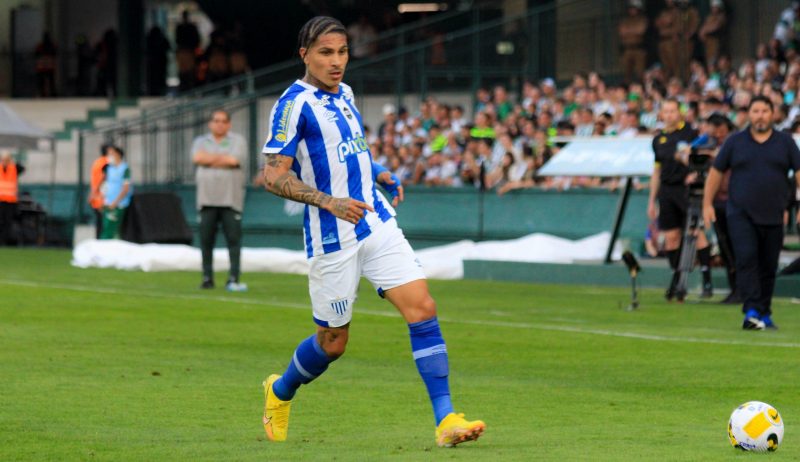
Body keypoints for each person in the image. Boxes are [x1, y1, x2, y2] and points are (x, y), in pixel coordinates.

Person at [260, 16, 485, 448]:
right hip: (332, 235)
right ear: (304, 54)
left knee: (422, 307)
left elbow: (346, 150)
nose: (336, 62)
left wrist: (378, 172)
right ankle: (280, 390)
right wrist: (330, 201)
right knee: (333, 344)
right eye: (326, 53)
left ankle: (446, 418)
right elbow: (272, 177)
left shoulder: (345, 93)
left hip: (375, 221)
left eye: (342, 52)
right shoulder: (292, 105)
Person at [703, 96, 800, 330]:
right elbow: (716, 173)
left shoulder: (785, 142)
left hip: (774, 214)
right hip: (740, 213)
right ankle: (751, 310)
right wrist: (707, 203)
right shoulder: (735, 142)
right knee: (747, 259)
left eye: (764, 111)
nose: (759, 115)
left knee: (768, 265)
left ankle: (764, 312)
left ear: (772, 114)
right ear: (749, 114)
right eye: (755, 111)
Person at [647, 98, 713, 300]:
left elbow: (705, 155)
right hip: (666, 191)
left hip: (686, 190)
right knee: (671, 238)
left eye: (673, 111)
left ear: (680, 113)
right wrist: (652, 200)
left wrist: (695, 173)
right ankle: (676, 280)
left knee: (696, 232)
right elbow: (657, 171)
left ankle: (706, 280)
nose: (669, 115)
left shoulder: (691, 133)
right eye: (665, 111)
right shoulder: (658, 140)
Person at [192, 109, 248, 291]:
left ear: (229, 124)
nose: (219, 124)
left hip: (231, 200)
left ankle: (233, 278)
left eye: (223, 121)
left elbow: (233, 160)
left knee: (233, 240)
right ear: (210, 123)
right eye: (216, 121)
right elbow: (197, 158)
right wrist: (220, 159)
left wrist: (209, 160)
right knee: (206, 241)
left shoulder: (238, 140)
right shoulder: (200, 141)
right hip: (206, 199)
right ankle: (207, 277)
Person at [703, 113, 739, 304]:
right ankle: (734, 288)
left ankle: (742, 288)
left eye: (721, 131)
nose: (718, 135)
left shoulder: (737, 143)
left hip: (734, 201)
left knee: (737, 246)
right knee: (725, 247)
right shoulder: (708, 145)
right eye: (715, 132)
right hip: (717, 202)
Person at [99, 146, 132, 240]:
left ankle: (105, 250)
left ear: (118, 154)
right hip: (107, 203)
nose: (109, 156)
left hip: (118, 205)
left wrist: (115, 202)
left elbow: (126, 189)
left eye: (111, 154)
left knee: (111, 230)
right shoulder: (109, 168)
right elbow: (105, 185)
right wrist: (102, 199)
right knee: (106, 228)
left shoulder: (125, 169)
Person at [618, 0, 648, 84]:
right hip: (627, 49)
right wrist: (633, 31)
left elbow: (640, 30)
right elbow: (622, 32)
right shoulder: (625, 20)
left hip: (638, 49)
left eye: (634, 8)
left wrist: (629, 31)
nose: (632, 10)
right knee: (626, 73)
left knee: (640, 73)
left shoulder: (642, 19)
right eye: (631, 8)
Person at [0, 151, 25, 245]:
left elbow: (22, 168)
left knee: (8, 222)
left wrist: (12, 161)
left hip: (11, 201)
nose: (5, 161)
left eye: (7, 159)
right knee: (1, 222)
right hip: (0, 200)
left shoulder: (14, 168)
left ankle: (5, 241)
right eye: (3, 159)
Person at [88, 144, 110, 238]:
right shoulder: (107, 162)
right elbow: (102, 178)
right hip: (102, 197)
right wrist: (93, 193)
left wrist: (92, 194)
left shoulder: (97, 162)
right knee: (103, 223)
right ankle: (101, 243)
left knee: (99, 223)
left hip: (97, 197)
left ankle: (99, 242)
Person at [175, 11, 201, 91]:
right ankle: (183, 87)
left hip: (189, 51)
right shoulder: (180, 27)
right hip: (183, 50)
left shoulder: (192, 27)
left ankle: (190, 87)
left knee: (190, 71)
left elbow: (197, 40)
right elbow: (177, 39)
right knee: (183, 71)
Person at [698, 0, 727, 66]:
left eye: (716, 7)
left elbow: (716, 26)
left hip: (717, 44)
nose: (714, 9)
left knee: (714, 62)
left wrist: (705, 30)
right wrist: (703, 31)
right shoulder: (709, 17)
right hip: (708, 45)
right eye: (713, 7)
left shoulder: (721, 17)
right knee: (708, 62)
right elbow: (704, 27)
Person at [146, 26, 170, 96]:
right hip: (156, 64)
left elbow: (168, 47)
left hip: (158, 63)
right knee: (156, 79)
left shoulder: (159, 39)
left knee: (157, 79)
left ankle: (156, 91)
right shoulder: (153, 39)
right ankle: (157, 91)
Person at [34, 32, 57, 97]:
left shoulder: (43, 46)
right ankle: (47, 94)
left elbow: (36, 54)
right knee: (48, 81)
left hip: (45, 66)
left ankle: (48, 94)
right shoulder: (45, 46)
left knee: (48, 81)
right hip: (46, 66)